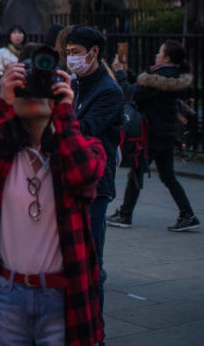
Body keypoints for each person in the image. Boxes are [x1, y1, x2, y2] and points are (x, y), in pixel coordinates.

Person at [0, 51, 106, 345]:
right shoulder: (3, 156)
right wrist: (0, 103)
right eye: (24, 89)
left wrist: (66, 113)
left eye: (41, 89)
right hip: (6, 294)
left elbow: (83, 174)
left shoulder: (86, 148)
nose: (32, 95)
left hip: (63, 296)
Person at [109, 40, 199, 231]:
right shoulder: (172, 76)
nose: (157, 55)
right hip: (167, 133)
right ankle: (188, 214)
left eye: (160, 52)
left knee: (137, 170)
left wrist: (120, 74)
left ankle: (125, 215)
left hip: (153, 134)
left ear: (166, 58)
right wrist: (128, 73)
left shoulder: (157, 78)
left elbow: (131, 93)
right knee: (167, 176)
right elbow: (142, 90)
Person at [64, 26, 123, 317]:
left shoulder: (108, 91)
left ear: (94, 52)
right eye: (68, 53)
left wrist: (58, 110)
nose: (70, 59)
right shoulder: (75, 84)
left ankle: (94, 329)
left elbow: (85, 131)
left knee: (90, 262)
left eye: (75, 53)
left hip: (95, 186)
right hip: (67, 181)